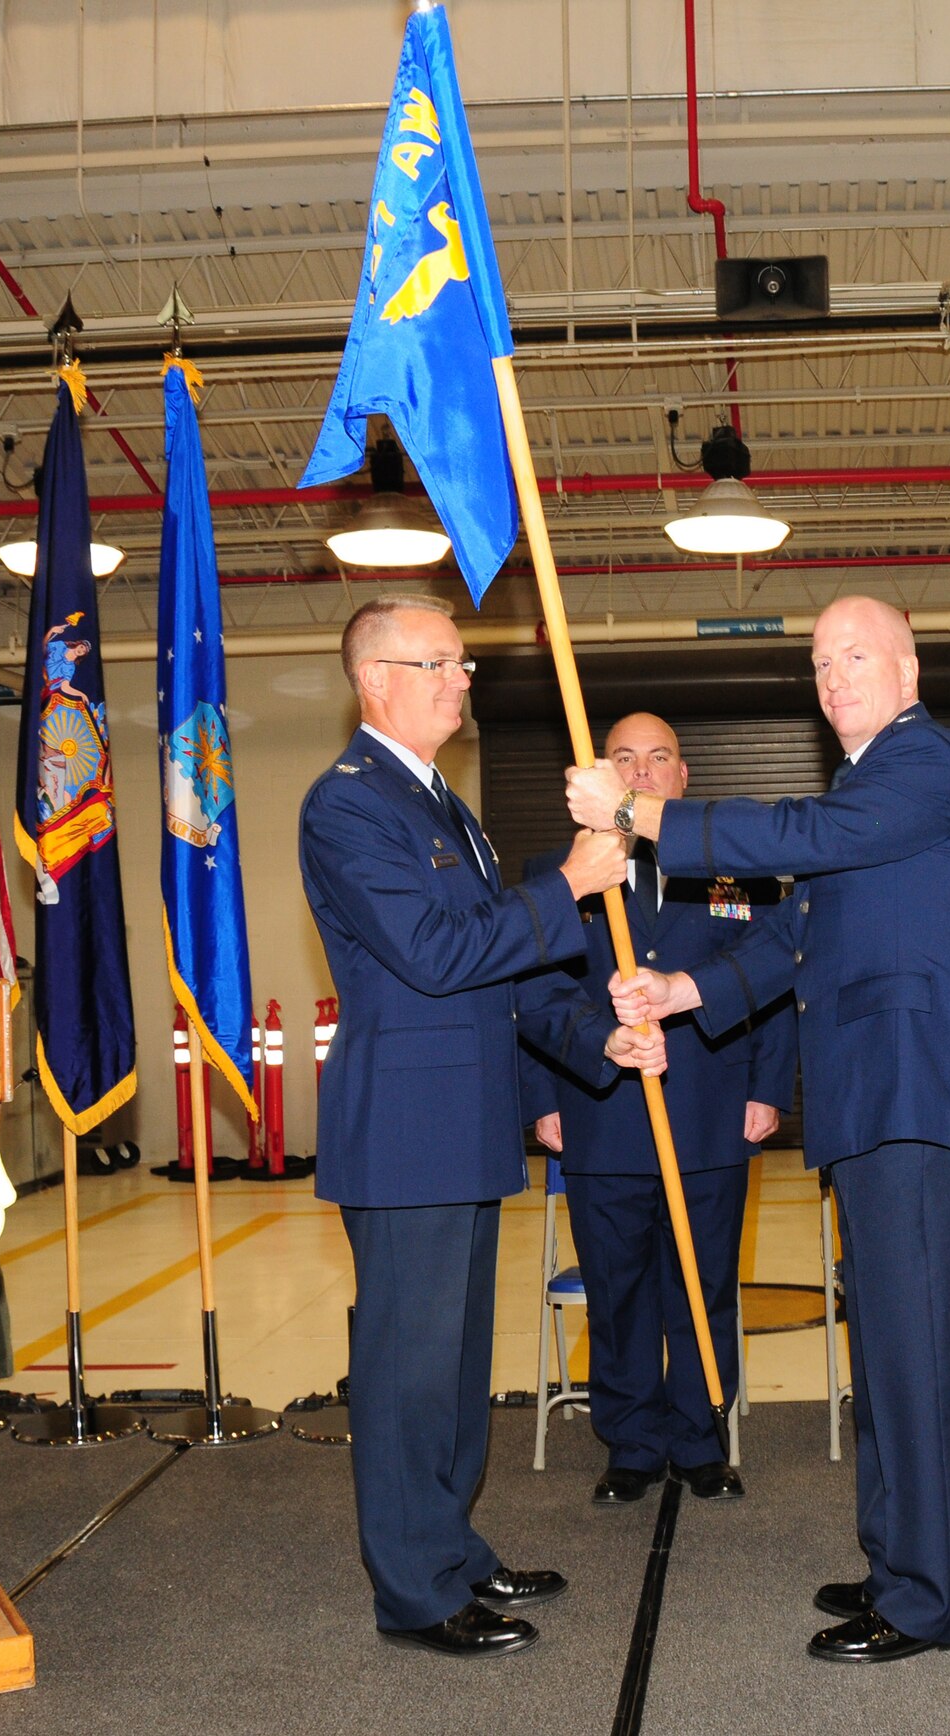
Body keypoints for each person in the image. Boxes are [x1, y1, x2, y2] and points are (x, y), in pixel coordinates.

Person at [565, 595, 950, 1665]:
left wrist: (638, 814)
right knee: (888, 1354)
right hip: (872, 1102)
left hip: (914, 1098)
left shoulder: (926, 762)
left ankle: (931, 1597)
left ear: (907, 667)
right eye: (819, 660)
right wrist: (685, 984)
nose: (833, 675)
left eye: (855, 654)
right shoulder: (867, 785)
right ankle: (900, 1559)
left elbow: (805, 840)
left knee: (915, 1359)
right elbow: (795, 936)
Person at [298, 594, 630, 1660]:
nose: (461, 677)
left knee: (451, 1365)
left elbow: (506, 971)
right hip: (404, 1129)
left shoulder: (443, 802)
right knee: (405, 1371)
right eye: (437, 661)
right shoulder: (346, 805)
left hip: (465, 1120)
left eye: (461, 661)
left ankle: (449, 1541)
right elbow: (437, 954)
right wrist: (572, 881)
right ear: (375, 678)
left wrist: (593, 1045)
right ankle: (414, 1589)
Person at [517, 712, 796, 1506]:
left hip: (712, 1108)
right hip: (598, 1110)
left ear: (683, 778)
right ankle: (632, 1443)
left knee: (703, 1286)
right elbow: (532, 993)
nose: (640, 773)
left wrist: (768, 1087)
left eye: (658, 759)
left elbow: (772, 984)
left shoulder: (738, 872)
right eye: (623, 760)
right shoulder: (559, 872)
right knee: (618, 1287)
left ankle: (703, 1437)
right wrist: (543, 1098)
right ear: (599, 780)